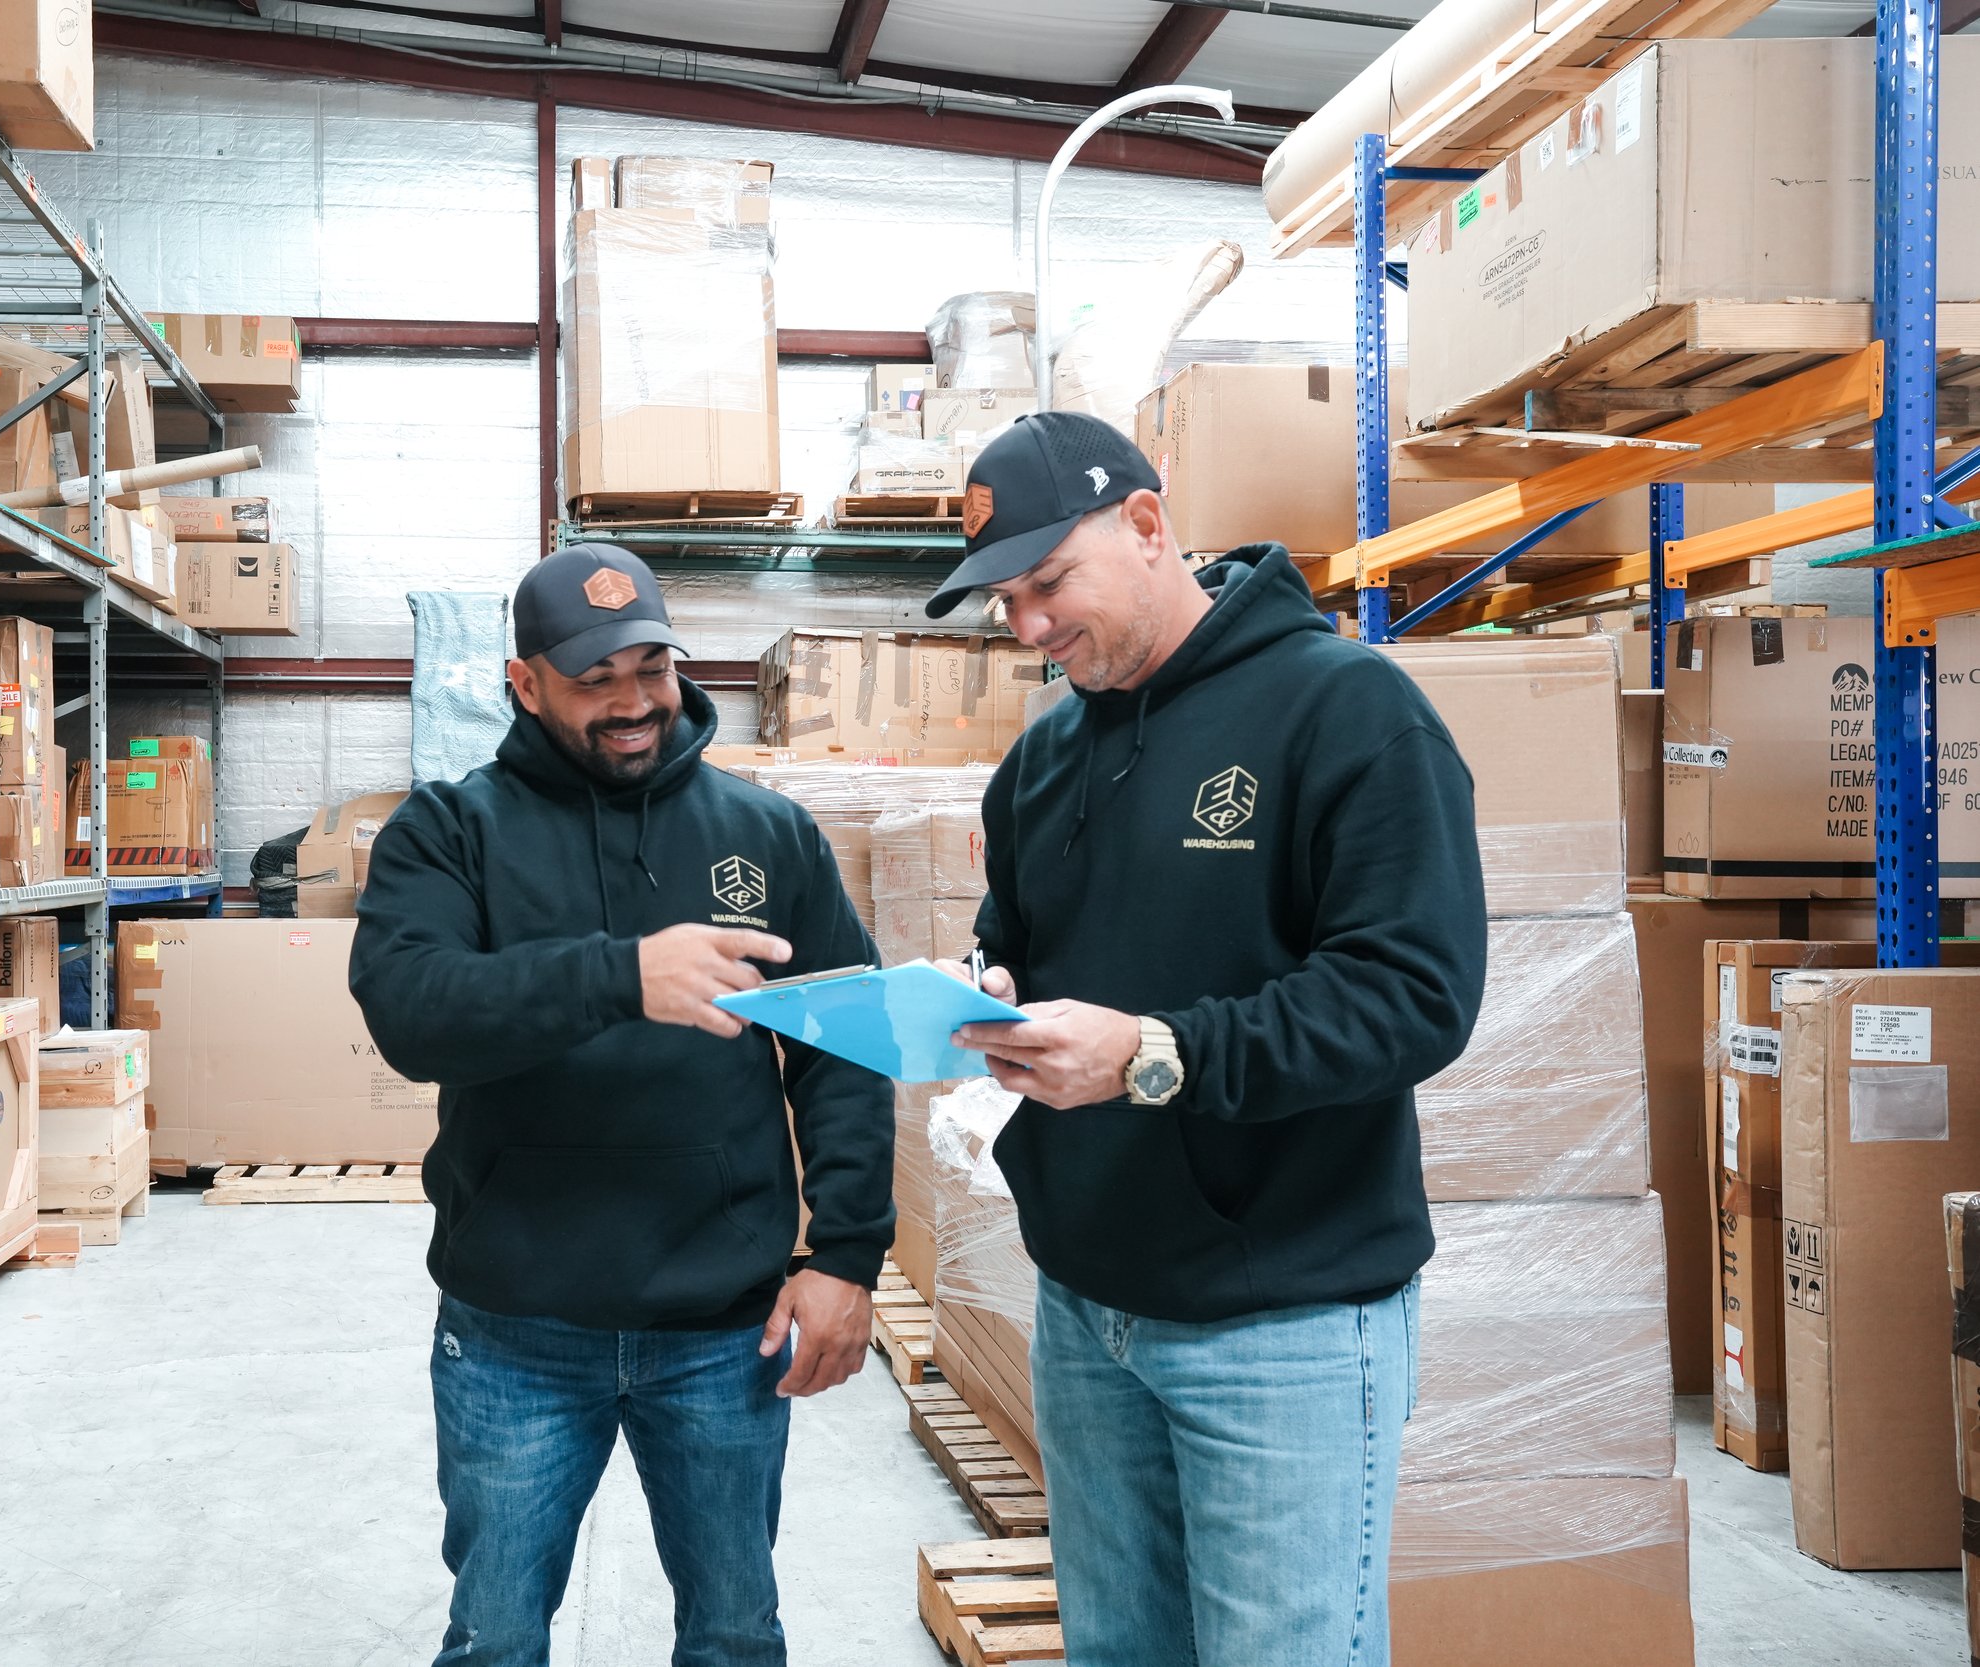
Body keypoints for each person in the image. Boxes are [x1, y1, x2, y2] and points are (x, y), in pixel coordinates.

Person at [926, 412, 1488, 1667]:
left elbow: (1414, 994)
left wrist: (1148, 1053)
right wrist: (984, 983)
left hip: (1280, 1315)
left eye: (1047, 585)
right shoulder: (1041, 757)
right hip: (1085, 1305)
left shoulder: (1345, 713)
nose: (1026, 628)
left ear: (1144, 524)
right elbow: (1013, 932)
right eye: (1004, 601)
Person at [348, 542, 895, 1667]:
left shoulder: (767, 832)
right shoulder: (451, 832)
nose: (634, 701)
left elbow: (847, 1046)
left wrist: (845, 1253)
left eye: (651, 665)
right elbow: (411, 1012)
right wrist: (618, 976)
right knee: (495, 1636)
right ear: (525, 682)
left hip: (723, 1326)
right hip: (516, 1329)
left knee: (736, 1633)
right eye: (596, 677)